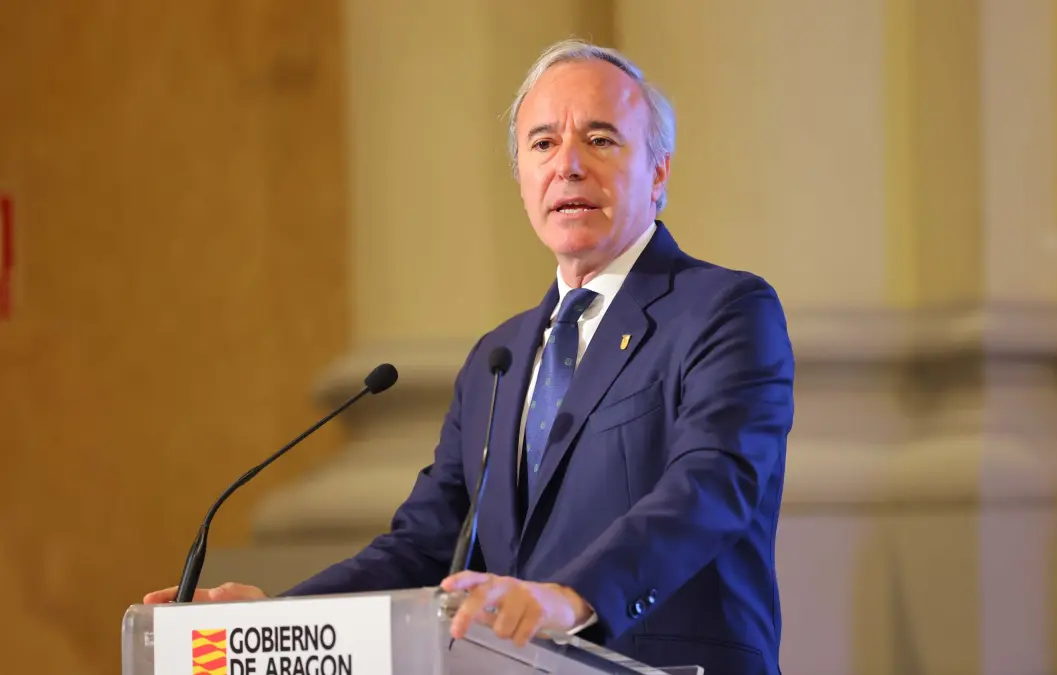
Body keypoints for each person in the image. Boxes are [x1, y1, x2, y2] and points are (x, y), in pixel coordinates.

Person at [144, 38, 794, 675]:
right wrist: (276, 621)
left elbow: (710, 486)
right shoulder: (497, 359)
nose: (568, 165)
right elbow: (425, 546)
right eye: (543, 143)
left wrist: (572, 597)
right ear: (522, 179)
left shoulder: (724, 310)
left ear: (657, 171)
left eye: (600, 139)